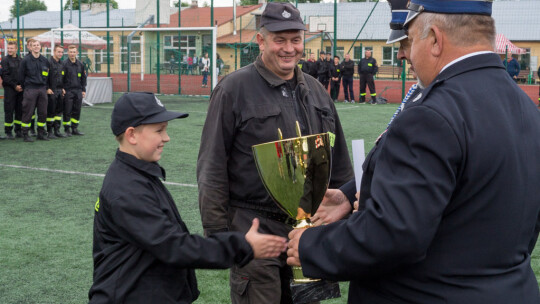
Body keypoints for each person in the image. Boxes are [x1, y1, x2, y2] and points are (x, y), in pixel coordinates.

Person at [287, 0, 540, 303]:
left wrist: (310, 245)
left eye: (411, 37)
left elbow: (393, 236)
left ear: (434, 39)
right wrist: (353, 194)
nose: (405, 52)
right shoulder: (526, 108)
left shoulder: (433, 114)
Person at [197, 3, 354, 304]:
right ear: (261, 40)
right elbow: (211, 164)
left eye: (295, 40)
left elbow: (338, 159)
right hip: (254, 228)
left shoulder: (317, 91)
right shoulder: (233, 89)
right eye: (279, 40)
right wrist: (218, 234)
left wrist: (345, 219)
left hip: (307, 231)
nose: (289, 48)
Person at [88, 92, 287, 304]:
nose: (166, 137)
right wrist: (243, 246)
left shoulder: (137, 175)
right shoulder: (127, 189)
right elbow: (174, 246)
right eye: (159, 130)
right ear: (132, 135)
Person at [18, 38, 50, 142]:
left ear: (40, 47)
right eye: (34, 45)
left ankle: (40, 133)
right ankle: (25, 134)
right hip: (30, 89)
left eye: (37, 45)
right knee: (28, 112)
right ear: (31, 47)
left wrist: (45, 87)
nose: (36, 47)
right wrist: (26, 87)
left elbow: (47, 75)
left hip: (42, 89)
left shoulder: (45, 60)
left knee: (43, 112)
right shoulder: (25, 60)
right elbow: (21, 76)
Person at [62, 45, 87, 136]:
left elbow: (84, 78)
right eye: (70, 52)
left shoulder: (80, 64)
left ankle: (74, 128)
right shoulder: (64, 64)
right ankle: (67, 130)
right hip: (68, 91)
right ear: (68, 53)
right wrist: (62, 88)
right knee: (67, 111)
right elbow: (61, 78)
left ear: (77, 53)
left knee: (77, 110)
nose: (72, 54)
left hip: (78, 91)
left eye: (74, 52)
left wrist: (83, 90)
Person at [1, 41, 24, 139]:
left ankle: (18, 131)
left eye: (11, 48)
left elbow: (24, 74)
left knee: (19, 110)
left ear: (16, 49)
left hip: (20, 90)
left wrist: (21, 86)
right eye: (8, 48)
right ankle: (8, 131)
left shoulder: (21, 60)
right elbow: (5, 76)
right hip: (10, 89)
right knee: (9, 110)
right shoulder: (5, 60)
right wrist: (15, 86)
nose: (10, 50)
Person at [47, 45, 66, 139]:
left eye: (62, 52)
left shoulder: (62, 64)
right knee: (51, 112)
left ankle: (57, 130)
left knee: (59, 112)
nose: (60, 54)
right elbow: (44, 76)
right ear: (54, 51)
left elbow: (63, 77)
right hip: (51, 91)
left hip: (59, 91)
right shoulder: (48, 62)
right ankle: (49, 131)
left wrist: (62, 88)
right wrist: (47, 88)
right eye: (58, 52)